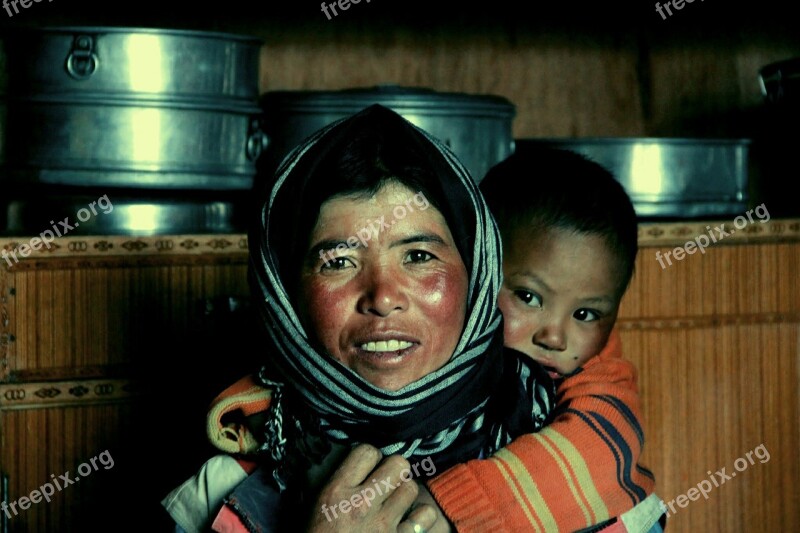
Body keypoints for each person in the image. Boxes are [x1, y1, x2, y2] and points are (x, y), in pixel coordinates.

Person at [162, 105, 662, 532]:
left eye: (419, 256)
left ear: (479, 271)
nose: (382, 297)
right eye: (338, 262)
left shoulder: (582, 468)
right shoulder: (222, 493)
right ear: (284, 296)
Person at [475, 146, 668, 531]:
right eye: (529, 297)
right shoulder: (440, 348)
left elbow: (599, 449)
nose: (554, 337)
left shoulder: (600, 374)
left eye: (585, 314)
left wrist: (446, 505)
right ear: (477, 264)